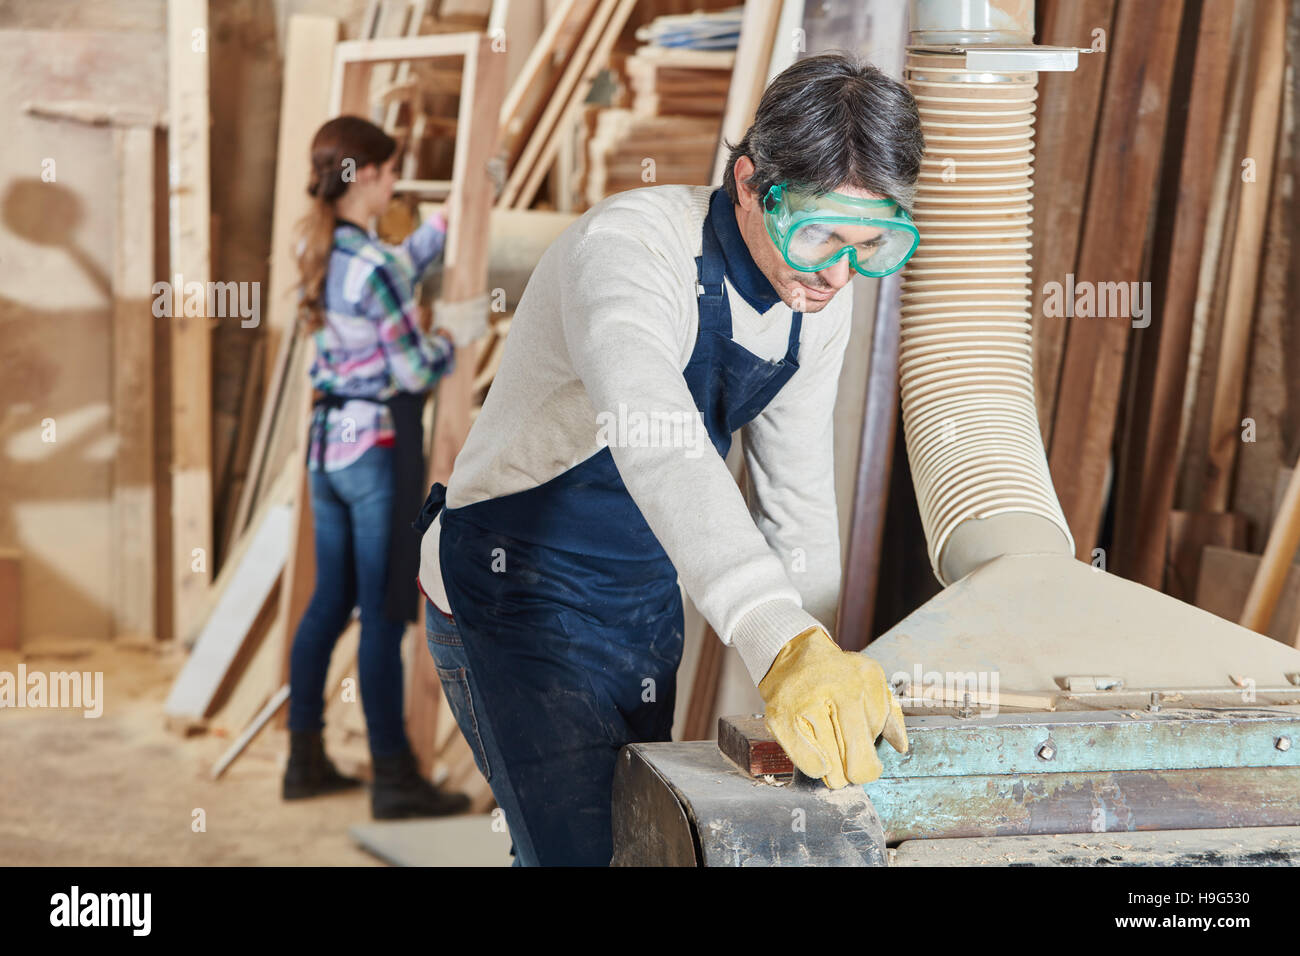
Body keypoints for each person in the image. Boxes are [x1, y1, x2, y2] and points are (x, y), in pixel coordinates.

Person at [414, 54, 923, 864]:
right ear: (752, 182)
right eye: (819, 232)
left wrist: (812, 655)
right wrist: (775, 638)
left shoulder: (815, 302)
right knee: (578, 852)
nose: (837, 272)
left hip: (641, 589)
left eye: (871, 244)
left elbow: (797, 503)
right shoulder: (629, 252)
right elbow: (659, 437)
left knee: (637, 839)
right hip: (513, 583)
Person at [284, 115, 478, 819]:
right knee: (385, 615)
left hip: (327, 447)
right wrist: (454, 338)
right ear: (364, 175)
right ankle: (395, 778)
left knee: (330, 602)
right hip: (376, 450)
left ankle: (302, 760)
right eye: (391, 172)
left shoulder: (321, 244)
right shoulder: (377, 266)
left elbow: (399, 268)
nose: (396, 184)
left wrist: (454, 223)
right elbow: (411, 368)